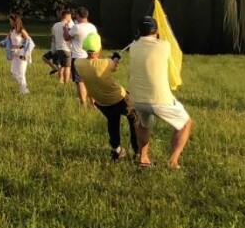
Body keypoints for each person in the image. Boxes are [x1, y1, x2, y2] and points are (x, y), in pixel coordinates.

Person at [127, 15, 192, 169]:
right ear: (155, 31)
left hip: (137, 99)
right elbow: (166, 41)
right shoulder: (164, 46)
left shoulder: (133, 47)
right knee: (185, 124)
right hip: (159, 98)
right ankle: (173, 161)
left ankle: (143, 158)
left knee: (144, 125)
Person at [75, 32, 139, 161]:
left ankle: (116, 150)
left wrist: (110, 59)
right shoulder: (106, 63)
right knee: (135, 119)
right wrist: (115, 58)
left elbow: (96, 64)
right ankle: (138, 152)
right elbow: (114, 66)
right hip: (120, 98)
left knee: (113, 122)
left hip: (102, 103)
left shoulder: (78, 63)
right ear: (99, 48)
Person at [68, 7, 99, 107]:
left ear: (78, 15)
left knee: (80, 81)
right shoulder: (92, 27)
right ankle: (93, 103)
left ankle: (83, 104)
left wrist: (65, 30)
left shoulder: (76, 27)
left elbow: (66, 37)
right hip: (91, 56)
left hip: (78, 57)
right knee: (90, 81)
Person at [0, 15, 35, 95]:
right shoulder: (12, 31)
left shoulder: (21, 30)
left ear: (15, 21)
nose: (10, 22)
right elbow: (6, 40)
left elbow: (30, 42)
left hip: (22, 53)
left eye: (11, 21)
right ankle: (24, 89)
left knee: (21, 73)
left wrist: (26, 53)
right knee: (13, 73)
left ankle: (23, 91)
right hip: (14, 53)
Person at [49, 10, 73, 85]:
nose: (70, 18)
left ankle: (60, 81)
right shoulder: (69, 25)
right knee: (68, 67)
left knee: (62, 66)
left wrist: (53, 48)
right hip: (67, 48)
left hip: (58, 48)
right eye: (70, 16)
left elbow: (53, 38)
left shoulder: (55, 25)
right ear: (67, 16)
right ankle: (66, 83)